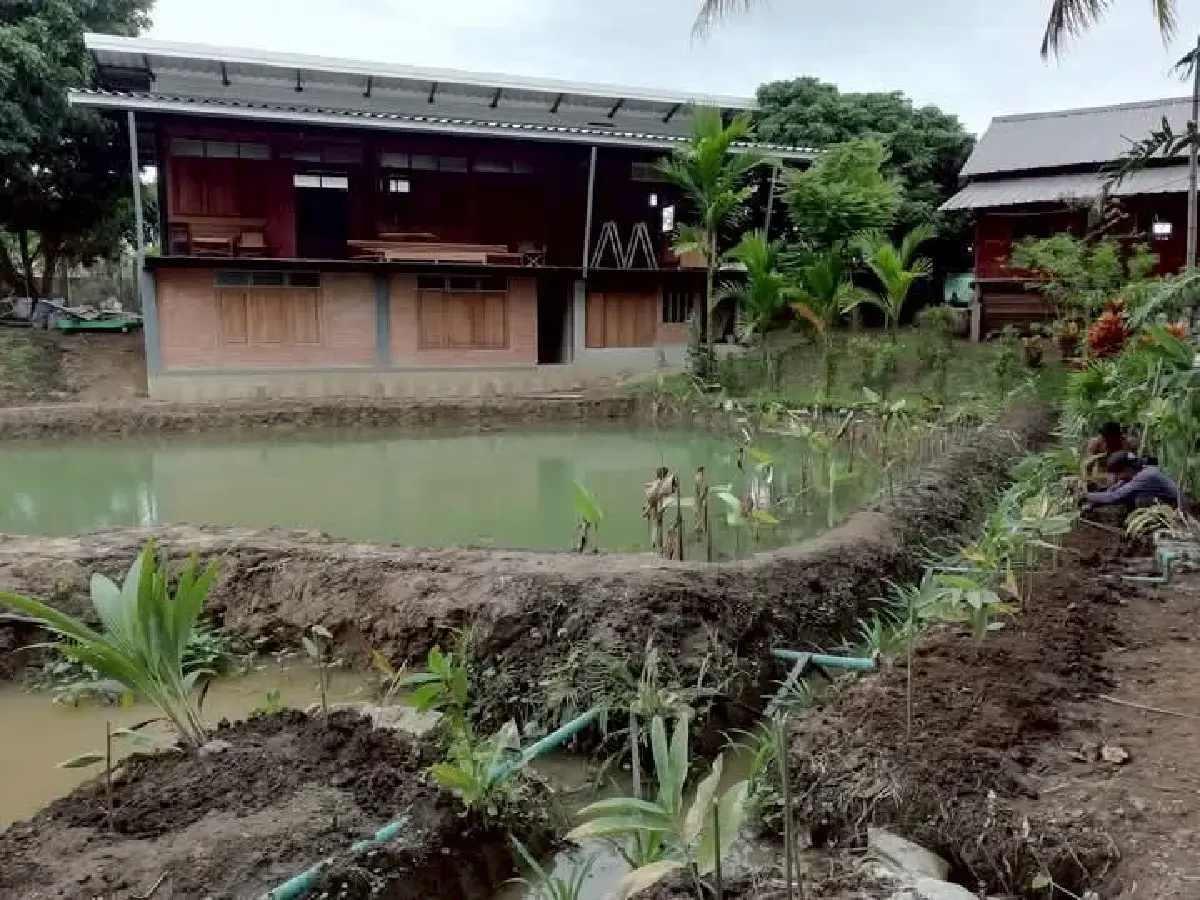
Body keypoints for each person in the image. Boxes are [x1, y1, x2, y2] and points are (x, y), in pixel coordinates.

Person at [1083, 452, 1180, 514]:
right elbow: (1112, 490)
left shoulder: (1146, 476)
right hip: (1164, 505)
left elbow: (1115, 496)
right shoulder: (1135, 474)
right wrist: (1092, 504)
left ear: (1126, 469)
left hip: (1175, 509)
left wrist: (1085, 495)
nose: (1116, 478)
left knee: (1134, 498)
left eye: (1117, 474)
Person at [1082, 422, 1137, 487]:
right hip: (1100, 473)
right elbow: (1085, 464)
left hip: (1119, 474)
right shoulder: (1095, 443)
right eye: (1105, 438)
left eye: (1110, 438)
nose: (1107, 441)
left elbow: (1132, 463)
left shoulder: (1125, 443)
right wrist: (1101, 456)